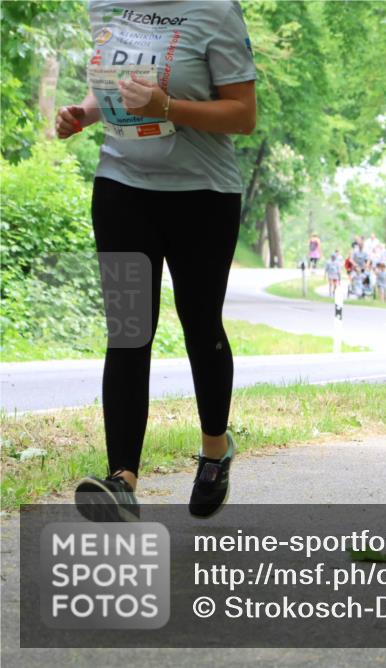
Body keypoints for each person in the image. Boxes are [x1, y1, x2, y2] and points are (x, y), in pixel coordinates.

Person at [60, 0, 256, 522]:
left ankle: (215, 451)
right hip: (122, 188)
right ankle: (121, 481)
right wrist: (86, 113)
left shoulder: (215, 11)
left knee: (200, 325)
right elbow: (113, 89)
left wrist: (167, 106)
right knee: (128, 331)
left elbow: (243, 115)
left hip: (203, 195)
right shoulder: (105, 6)